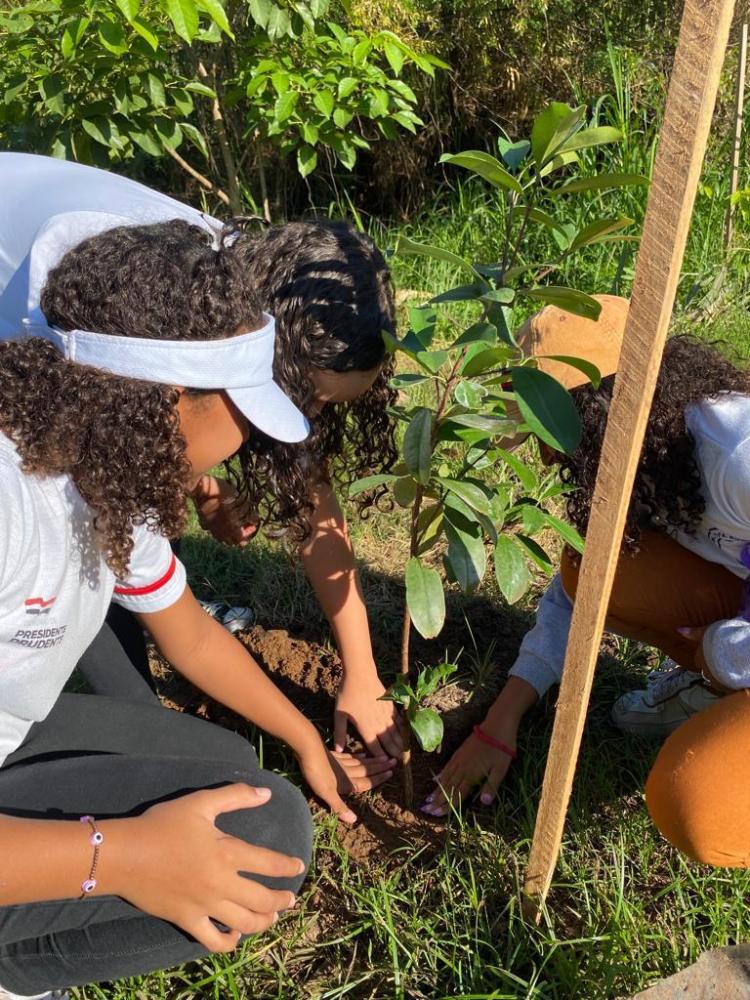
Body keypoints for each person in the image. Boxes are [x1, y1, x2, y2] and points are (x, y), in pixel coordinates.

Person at [0, 218, 393, 1000]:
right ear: (168, 399)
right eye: (245, 415)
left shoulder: (106, 472)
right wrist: (121, 856)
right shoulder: (12, 509)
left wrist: (303, 737)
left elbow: (189, 633)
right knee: (265, 829)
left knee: (223, 777)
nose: (249, 442)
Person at [0, 152, 403, 759]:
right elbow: (112, 434)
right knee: (73, 562)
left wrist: (364, 672)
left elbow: (153, 422)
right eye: (311, 400)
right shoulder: (91, 304)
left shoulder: (216, 293)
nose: (310, 426)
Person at [424, 297, 750, 869]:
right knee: (590, 565)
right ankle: (721, 693)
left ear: (597, 414)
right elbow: (580, 592)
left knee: (697, 804)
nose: (547, 459)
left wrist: (727, 652)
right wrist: (505, 714)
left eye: (546, 436)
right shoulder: (655, 459)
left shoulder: (737, 459)